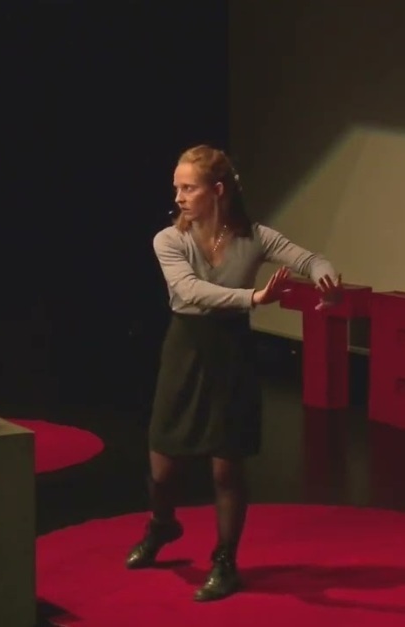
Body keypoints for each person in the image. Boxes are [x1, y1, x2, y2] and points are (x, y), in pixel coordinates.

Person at [125, 144, 343, 602]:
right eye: (177, 188)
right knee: (163, 467)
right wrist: (254, 299)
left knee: (227, 470)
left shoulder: (254, 236)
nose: (179, 197)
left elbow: (310, 259)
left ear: (218, 190)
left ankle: (225, 560)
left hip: (232, 353)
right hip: (186, 349)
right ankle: (162, 524)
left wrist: (326, 278)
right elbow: (189, 290)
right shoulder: (169, 239)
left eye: (189, 188)